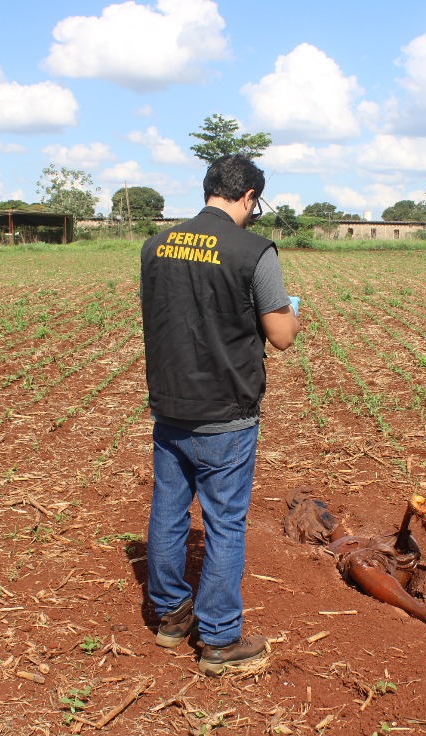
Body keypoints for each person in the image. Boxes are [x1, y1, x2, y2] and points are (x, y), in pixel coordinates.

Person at [139, 154, 300, 676]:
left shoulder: (156, 246)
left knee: (168, 511)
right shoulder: (254, 250)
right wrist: (290, 310)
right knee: (224, 524)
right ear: (249, 196)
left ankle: (170, 616)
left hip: (170, 408)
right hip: (226, 415)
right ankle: (220, 638)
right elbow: (282, 337)